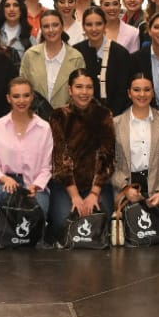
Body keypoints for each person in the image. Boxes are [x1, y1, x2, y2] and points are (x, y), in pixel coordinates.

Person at [45, 70, 116, 241]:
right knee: (63, 225)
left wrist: (94, 193)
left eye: (89, 87)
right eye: (79, 87)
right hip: (66, 185)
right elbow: (60, 159)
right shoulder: (58, 116)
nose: (84, 92)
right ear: (70, 90)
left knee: (100, 224)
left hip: (96, 184)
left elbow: (107, 157)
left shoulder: (104, 115)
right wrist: (75, 197)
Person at [112, 71, 159, 224]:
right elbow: (110, 164)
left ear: (153, 92)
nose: (142, 94)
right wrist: (125, 188)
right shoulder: (115, 123)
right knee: (131, 233)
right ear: (129, 93)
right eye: (136, 90)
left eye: (147, 89)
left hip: (157, 184)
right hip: (127, 185)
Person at [0, 78, 53, 220]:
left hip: (35, 187)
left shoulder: (44, 128)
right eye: (16, 96)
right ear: (8, 98)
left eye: (26, 95)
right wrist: (4, 179)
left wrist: (36, 186)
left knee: (38, 213)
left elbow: (47, 168)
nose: (21, 101)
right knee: (7, 200)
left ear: (32, 97)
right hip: (6, 185)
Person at [20, 9, 85, 115]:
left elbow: (81, 92)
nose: (51, 30)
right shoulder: (30, 56)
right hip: (36, 120)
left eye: (55, 25)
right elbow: (22, 90)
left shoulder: (76, 58)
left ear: (62, 27)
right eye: (46, 26)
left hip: (67, 121)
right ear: (41, 29)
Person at [76, 5, 133, 114]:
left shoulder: (120, 54)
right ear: (83, 27)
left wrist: (111, 117)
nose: (94, 29)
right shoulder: (77, 52)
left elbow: (122, 91)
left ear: (105, 25)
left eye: (98, 24)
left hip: (114, 117)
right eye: (89, 24)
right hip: (83, 116)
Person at [0, 0, 35, 64]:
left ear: (21, 9)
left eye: (16, 5)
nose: (11, 9)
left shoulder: (30, 40)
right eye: (7, 5)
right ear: (2, 10)